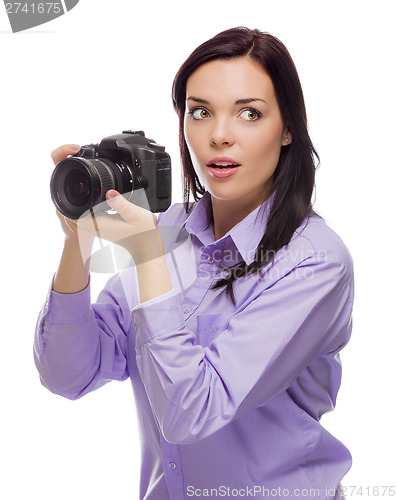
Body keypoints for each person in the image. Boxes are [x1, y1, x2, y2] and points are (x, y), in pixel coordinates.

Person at [34, 27, 354, 500]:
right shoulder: (162, 231)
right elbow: (69, 373)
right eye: (200, 111)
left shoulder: (315, 264)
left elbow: (192, 411)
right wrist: (77, 239)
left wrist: (147, 257)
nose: (219, 136)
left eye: (249, 113)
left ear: (288, 129)